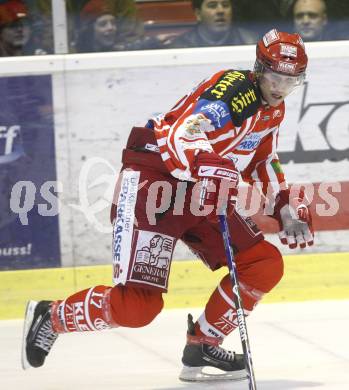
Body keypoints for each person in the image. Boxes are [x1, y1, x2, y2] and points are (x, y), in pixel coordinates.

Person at [22, 29, 314, 382]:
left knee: (263, 264)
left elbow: (263, 158)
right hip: (153, 184)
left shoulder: (273, 109)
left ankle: (203, 343)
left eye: (290, 80)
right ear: (258, 68)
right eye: (275, 77)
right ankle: (51, 316)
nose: (280, 88)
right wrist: (210, 163)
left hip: (199, 192)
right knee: (138, 307)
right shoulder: (234, 92)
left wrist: (284, 205)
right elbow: (181, 135)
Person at [76, 0, 162, 53]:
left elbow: (131, 48)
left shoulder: (116, 49)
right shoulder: (77, 55)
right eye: (103, 24)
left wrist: (156, 40)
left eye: (113, 23)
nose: (111, 28)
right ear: (90, 30)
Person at [166, 0, 257, 48]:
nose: (220, 11)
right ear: (198, 14)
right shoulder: (181, 46)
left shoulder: (250, 41)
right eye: (212, 6)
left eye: (225, 5)